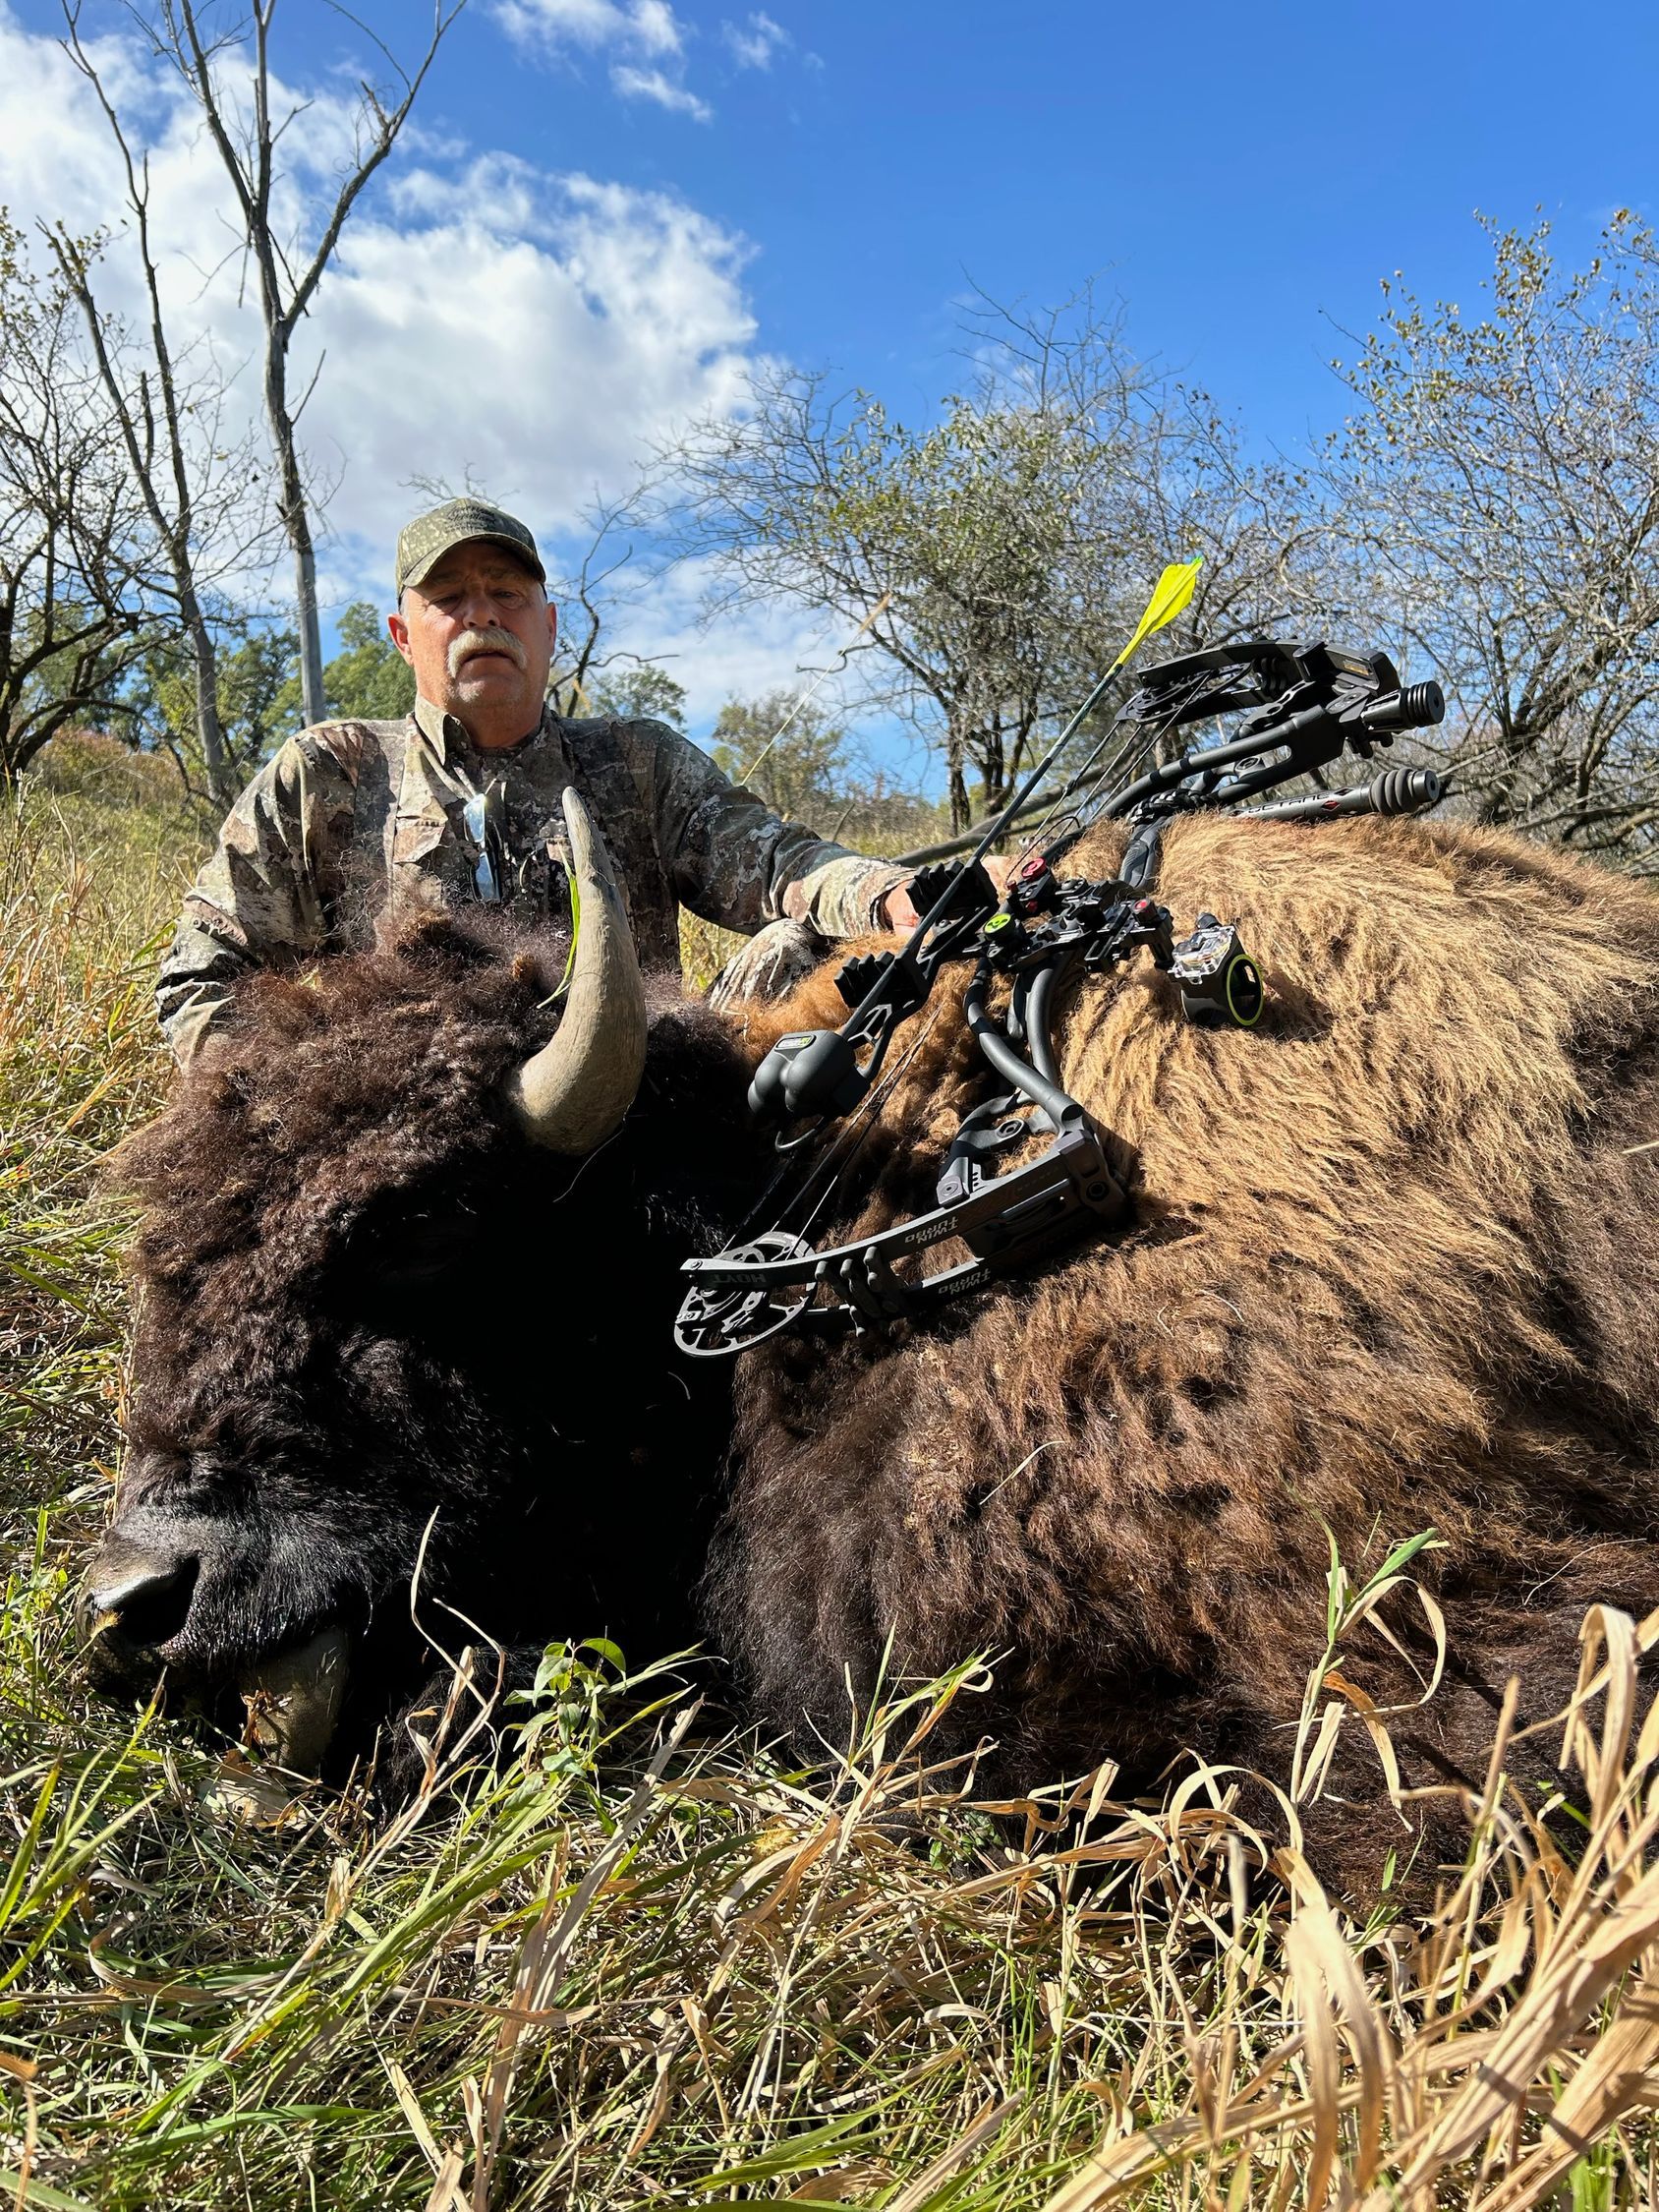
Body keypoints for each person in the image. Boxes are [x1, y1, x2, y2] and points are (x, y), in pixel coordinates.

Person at [155, 497, 953, 1067]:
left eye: (507, 593)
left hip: (635, 1106)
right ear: (402, 635)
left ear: (548, 624)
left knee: (808, 946)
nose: (483, 616)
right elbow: (202, 974)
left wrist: (889, 895)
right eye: (449, 599)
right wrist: (295, 1097)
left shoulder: (637, 760)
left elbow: (780, 863)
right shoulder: (331, 770)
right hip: (420, 1136)